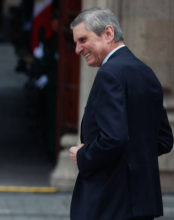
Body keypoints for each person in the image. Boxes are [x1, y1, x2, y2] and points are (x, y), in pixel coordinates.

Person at [69, 8, 173, 220]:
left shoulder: (110, 74)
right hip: (141, 203)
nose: (77, 49)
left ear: (108, 34)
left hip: (109, 203)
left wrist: (83, 155)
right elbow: (164, 140)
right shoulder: (146, 72)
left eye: (82, 40)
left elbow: (113, 138)